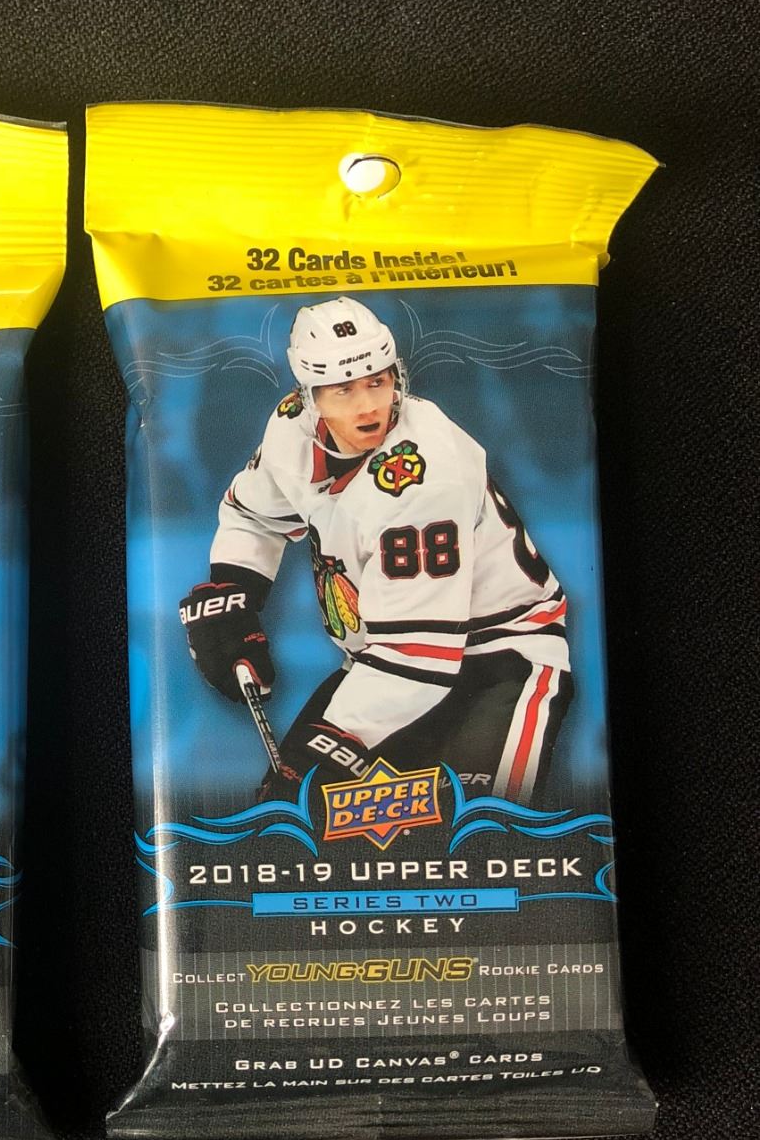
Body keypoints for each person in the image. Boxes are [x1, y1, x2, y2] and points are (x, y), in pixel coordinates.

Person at [180, 298, 572, 804]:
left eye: (377, 382)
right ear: (309, 395)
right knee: (285, 816)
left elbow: (419, 657)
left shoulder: (424, 477)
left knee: (478, 828)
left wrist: (327, 747)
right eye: (343, 389)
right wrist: (234, 590)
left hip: (498, 661)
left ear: (396, 377)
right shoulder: (291, 428)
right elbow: (252, 516)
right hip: (380, 660)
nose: (367, 406)